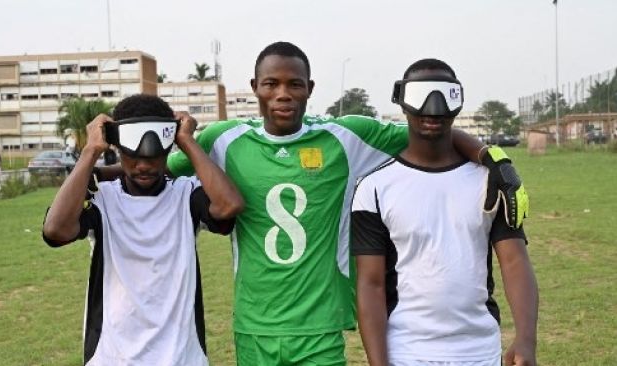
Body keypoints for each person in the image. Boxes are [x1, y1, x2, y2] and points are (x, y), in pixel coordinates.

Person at [159, 42, 529, 365]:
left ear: (310, 89)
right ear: (255, 87)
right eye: (271, 84)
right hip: (255, 323)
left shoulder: (345, 136)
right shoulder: (224, 138)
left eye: (294, 84)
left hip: (322, 323)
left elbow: (432, 129)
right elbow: (157, 167)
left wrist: (494, 159)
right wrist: (104, 167)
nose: (283, 94)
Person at [352, 59, 538, 366]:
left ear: (458, 101)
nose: (433, 107)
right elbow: (370, 284)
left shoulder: (490, 183)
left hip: (479, 351)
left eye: (446, 94)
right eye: (420, 95)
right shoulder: (373, 188)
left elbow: (515, 260)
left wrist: (526, 339)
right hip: (407, 352)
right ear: (401, 100)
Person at [42, 94, 244, 365]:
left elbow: (229, 205)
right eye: (132, 156)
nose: (144, 165)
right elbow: (56, 230)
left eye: (155, 155)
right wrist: (90, 151)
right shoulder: (103, 199)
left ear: (168, 147)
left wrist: (187, 142)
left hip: (182, 357)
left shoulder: (186, 195)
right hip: (111, 357)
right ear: (117, 147)